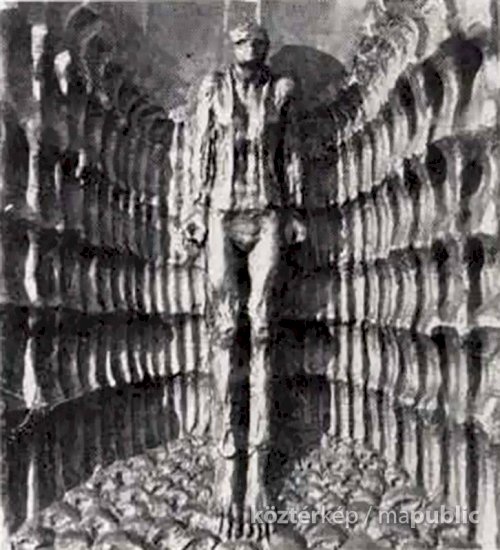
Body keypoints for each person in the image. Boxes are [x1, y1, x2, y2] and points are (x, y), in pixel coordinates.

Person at [182, 20, 307, 538]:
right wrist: (193, 207)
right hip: (221, 212)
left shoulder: (281, 92)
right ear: (231, 47)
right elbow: (199, 151)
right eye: (242, 42)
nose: (250, 49)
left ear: (266, 48)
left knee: (261, 330)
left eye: (257, 43)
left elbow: (291, 153)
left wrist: (296, 209)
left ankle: (257, 472)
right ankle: (224, 466)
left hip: (268, 211)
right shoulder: (213, 88)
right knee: (224, 329)